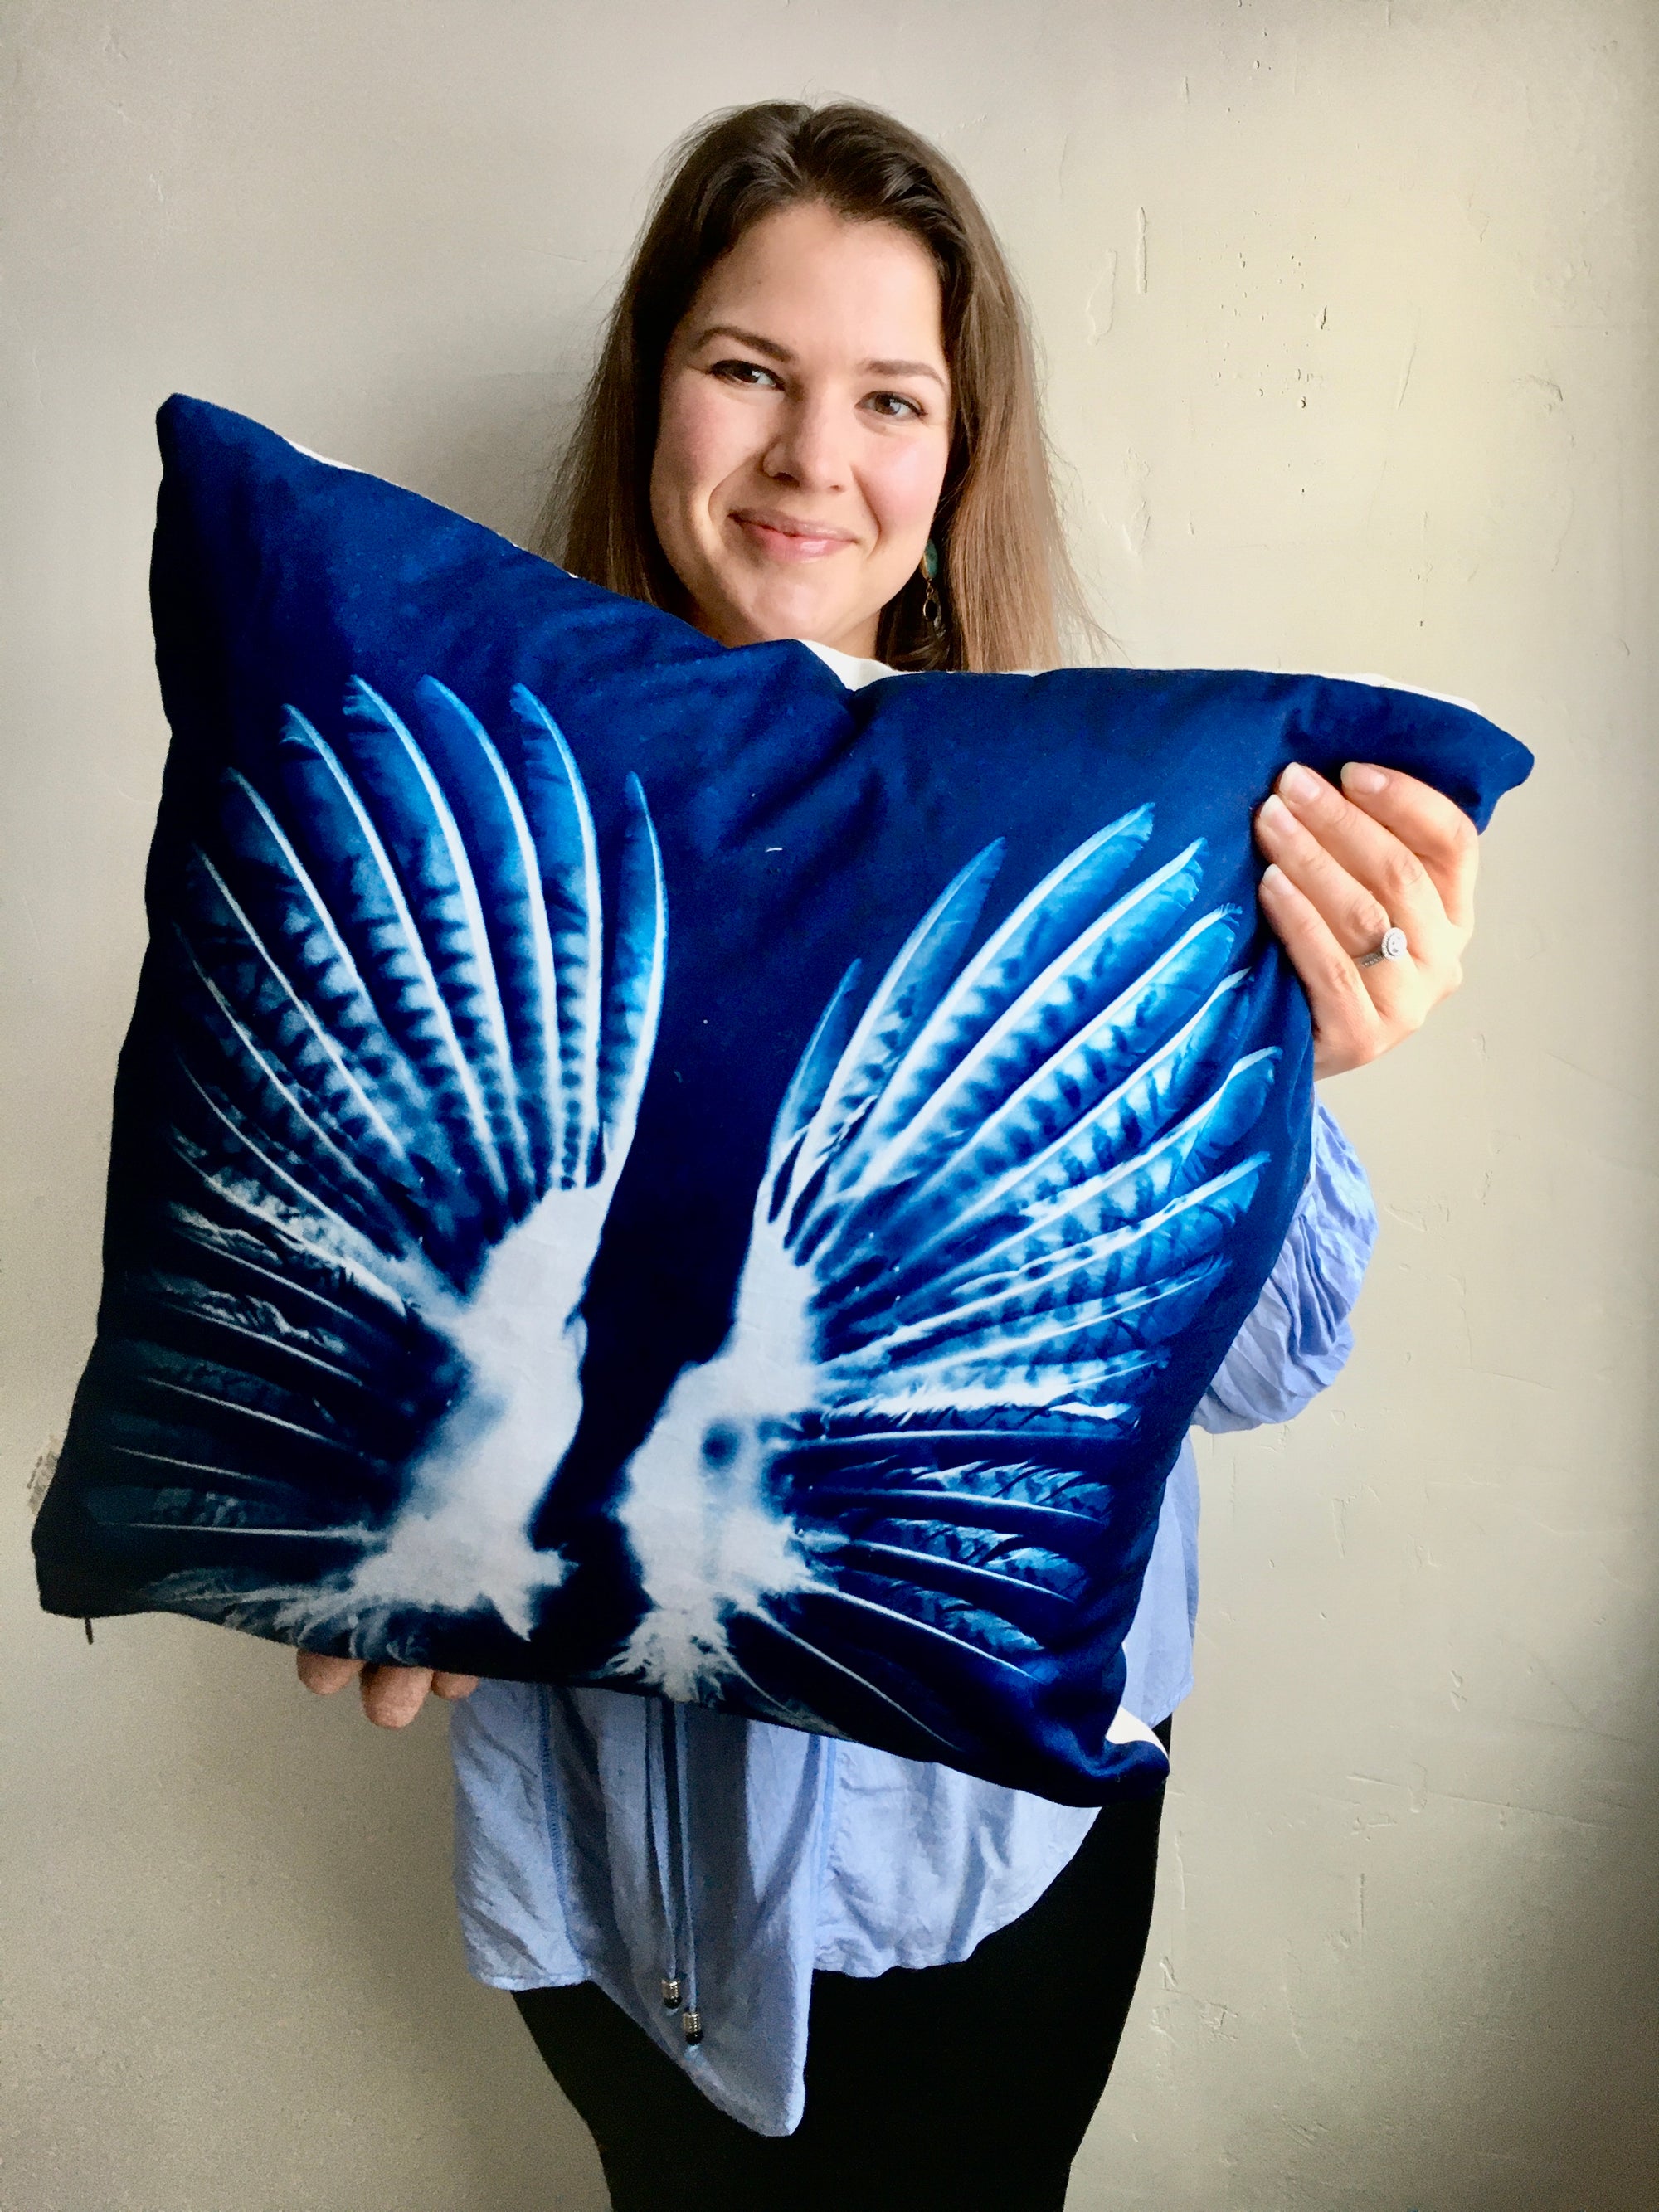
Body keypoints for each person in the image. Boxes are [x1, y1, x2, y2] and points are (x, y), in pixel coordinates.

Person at [295, 101, 1479, 2210]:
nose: (808, 456)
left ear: (955, 458)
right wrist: (363, 1509)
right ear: (653, 395)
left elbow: (1263, 1362)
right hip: (602, 1864)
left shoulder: (1113, 849)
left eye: (889, 398)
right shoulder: (471, 833)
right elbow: (385, 1291)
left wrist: (1280, 1069)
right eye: (746, 368)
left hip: (975, 1866)